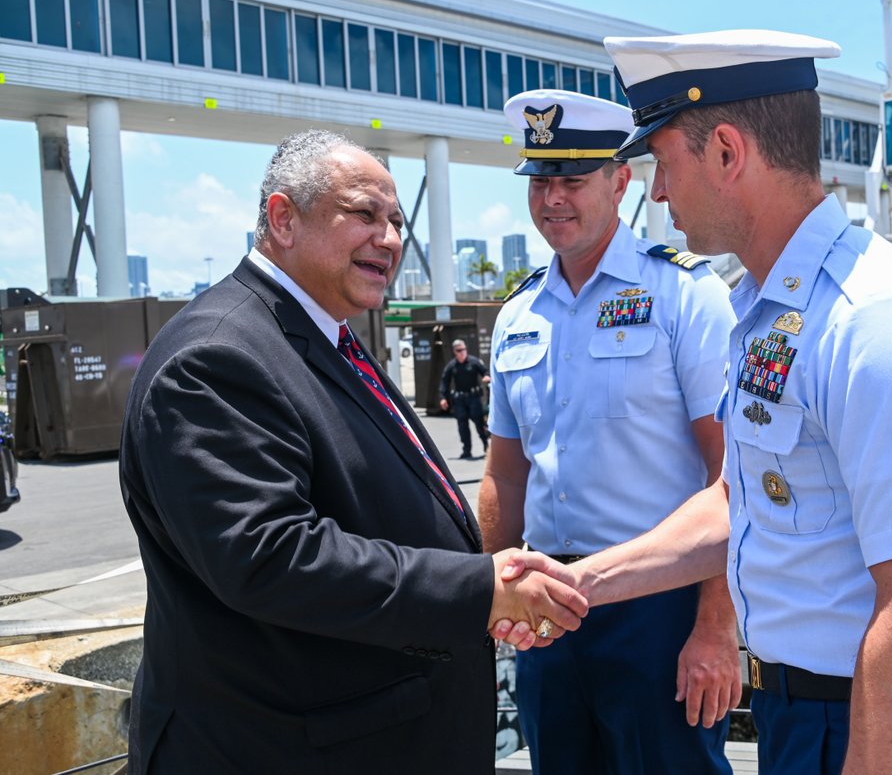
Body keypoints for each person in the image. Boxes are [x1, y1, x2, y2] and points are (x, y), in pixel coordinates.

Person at [497, 31, 892, 774]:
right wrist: (580, 585)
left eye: (664, 163)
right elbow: (739, 501)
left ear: (728, 153)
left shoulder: (880, 320)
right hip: (798, 719)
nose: (658, 191)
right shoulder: (766, 312)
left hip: (879, 725)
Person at [118, 129, 587, 774]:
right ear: (283, 219)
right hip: (288, 747)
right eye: (363, 214)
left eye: (395, 221)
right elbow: (271, 556)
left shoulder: (316, 334)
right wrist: (480, 588)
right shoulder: (218, 355)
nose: (389, 238)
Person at [478, 89, 740, 775]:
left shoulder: (684, 294)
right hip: (545, 607)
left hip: (660, 609)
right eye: (540, 181)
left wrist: (717, 626)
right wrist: (481, 596)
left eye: (572, 179)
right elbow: (506, 475)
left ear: (621, 181)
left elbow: (731, 476)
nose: (552, 199)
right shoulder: (518, 315)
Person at [438, 338, 491, 459]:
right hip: (460, 399)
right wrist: (442, 398)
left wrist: (487, 377)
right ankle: (466, 450)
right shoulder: (452, 366)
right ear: (454, 352)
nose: (462, 352)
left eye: (464, 349)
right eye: (459, 350)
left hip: (474, 398)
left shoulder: (474, 362)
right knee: (462, 425)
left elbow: (485, 371)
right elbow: (444, 382)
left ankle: (486, 445)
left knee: (479, 423)